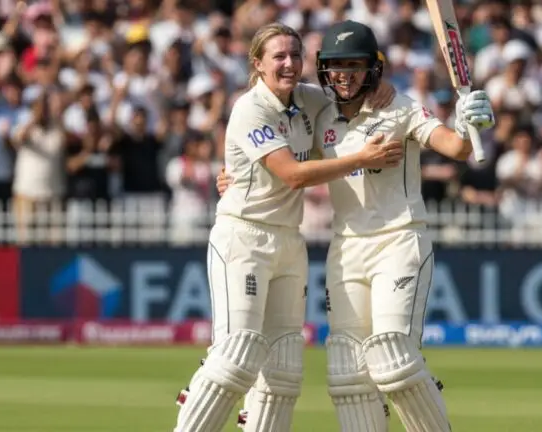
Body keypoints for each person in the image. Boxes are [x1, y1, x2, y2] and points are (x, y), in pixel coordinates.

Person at [218, 20, 495, 432]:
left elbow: (455, 147)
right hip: (346, 249)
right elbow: (290, 159)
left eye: (355, 65)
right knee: (348, 372)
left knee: (393, 360)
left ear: (373, 68)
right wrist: (233, 176)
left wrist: (468, 124)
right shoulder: (319, 113)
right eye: (337, 66)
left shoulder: (399, 106)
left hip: (399, 240)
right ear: (324, 69)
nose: (345, 75)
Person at [172, 22, 402, 432]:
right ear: (257, 64)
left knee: (283, 370)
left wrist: (381, 88)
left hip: (289, 240)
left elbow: (351, 94)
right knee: (236, 355)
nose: (289, 64)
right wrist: (361, 159)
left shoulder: (310, 98)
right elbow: (292, 175)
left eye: (295, 55)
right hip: (244, 236)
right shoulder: (250, 108)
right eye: (278, 56)